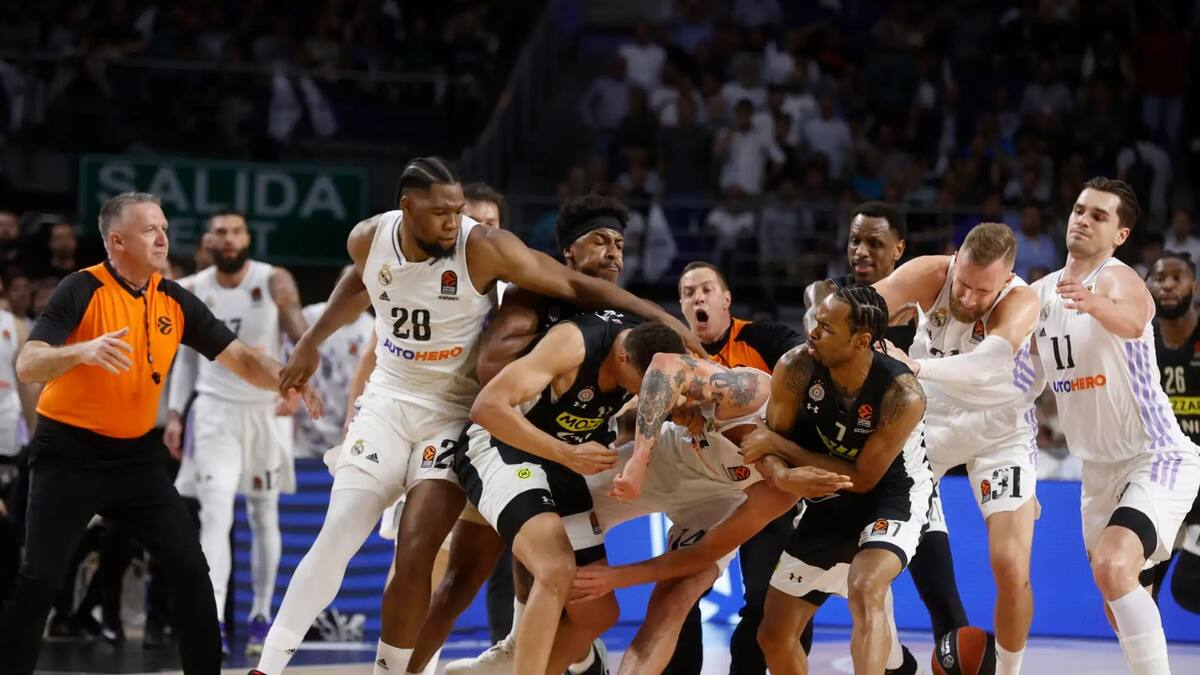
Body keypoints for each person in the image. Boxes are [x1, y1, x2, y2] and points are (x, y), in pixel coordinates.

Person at [253, 157, 697, 675]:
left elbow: (620, 350)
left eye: (620, 245)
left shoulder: (594, 309)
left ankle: (531, 652)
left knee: (557, 583)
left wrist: (666, 329)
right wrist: (314, 346)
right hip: (482, 433)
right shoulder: (524, 293)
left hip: (523, 442)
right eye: (601, 242)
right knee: (448, 566)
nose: (460, 224)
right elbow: (383, 307)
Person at [0, 192, 320, 675]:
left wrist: (289, 379)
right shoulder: (82, 288)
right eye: (150, 229)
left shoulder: (173, 299)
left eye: (164, 228)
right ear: (117, 240)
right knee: (40, 578)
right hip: (68, 453)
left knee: (191, 569)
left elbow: (241, 358)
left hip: (135, 459)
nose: (162, 238)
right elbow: (28, 363)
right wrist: (81, 352)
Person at [428, 193, 628, 675]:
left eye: (620, 245)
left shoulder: (622, 317)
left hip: (571, 456)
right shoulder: (534, 295)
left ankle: (555, 654)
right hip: (494, 439)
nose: (613, 253)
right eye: (600, 241)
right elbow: (491, 366)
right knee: (460, 575)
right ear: (569, 252)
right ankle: (406, 666)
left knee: (576, 590)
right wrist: (569, 350)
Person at [573, 355, 850, 675]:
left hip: (720, 498)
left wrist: (618, 578)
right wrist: (638, 457)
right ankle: (578, 656)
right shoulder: (751, 391)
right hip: (666, 457)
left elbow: (705, 553)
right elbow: (665, 364)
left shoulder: (785, 488)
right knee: (550, 518)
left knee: (677, 596)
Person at [1030, 177, 1200, 674]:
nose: (1083, 220)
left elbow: (1133, 319)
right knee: (1117, 597)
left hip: (1156, 456)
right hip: (1097, 471)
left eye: (1099, 216)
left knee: (1113, 565)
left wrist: (1093, 303)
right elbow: (1018, 382)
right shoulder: (1039, 294)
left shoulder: (1118, 279)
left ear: (1120, 235)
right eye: (1080, 210)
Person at [456, 317, 684, 675]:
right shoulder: (573, 345)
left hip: (561, 461)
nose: (646, 396)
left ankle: (525, 665)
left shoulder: (653, 355)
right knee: (555, 568)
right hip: (502, 445)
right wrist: (566, 453)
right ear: (623, 358)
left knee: (598, 611)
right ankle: (514, 655)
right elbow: (486, 407)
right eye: (642, 386)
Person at [873, 222, 1042, 675]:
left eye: (982, 291)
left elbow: (988, 363)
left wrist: (916, 367)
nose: (966, 298)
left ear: (1006, 279)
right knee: (871, 547)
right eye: (963, 283)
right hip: (929, 423)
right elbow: (864, 308)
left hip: (1000, 432)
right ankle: (893, 662)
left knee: (1010, 565)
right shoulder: (931, 273)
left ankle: (1008, 671)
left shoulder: (1022, 301)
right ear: (955, 260)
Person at [742, 285, 932, 675]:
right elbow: (766, 444)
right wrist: (782, 474)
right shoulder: (796, 367)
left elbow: (862, 478)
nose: (812, 332)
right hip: (830, 503)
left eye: (827, 328)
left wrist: (785, 450)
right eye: (817, 321)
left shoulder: (902, 394)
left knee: (865, 587)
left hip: (892, 496)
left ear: (862, 340)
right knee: (773, 635)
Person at [805, 202, 970, 646]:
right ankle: (895, 665)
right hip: (841, 467)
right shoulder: (828, 294)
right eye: (855, 240)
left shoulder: (924, 311)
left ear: (899, 249)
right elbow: (813, 322)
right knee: (800, 604)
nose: (860, 251)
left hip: (905, 468)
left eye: (874, 242)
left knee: (942, 598)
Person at [163, 209, 309, 655]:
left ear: (248, 238)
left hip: (265, 412)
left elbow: (298, 332)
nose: (228, 239)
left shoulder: (274, 279)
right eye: (220, 232)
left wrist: (299, 383)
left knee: (264, 515)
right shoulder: (192, 288)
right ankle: (214, 619)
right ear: (208, 240)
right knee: (215, 514)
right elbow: (186, 360)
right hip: (214, 414)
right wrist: (175, 414)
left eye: (236, 231)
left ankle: (261, 615)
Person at [672, 260, 805, 674]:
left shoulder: (764, 338)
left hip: (764, 489)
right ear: (681, 306)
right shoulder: (674, 356)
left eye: (706, 290)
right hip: (706, 493)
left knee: (769, 601)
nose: (698, 297)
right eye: (689, 293)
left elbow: (806, 373)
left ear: (726, 299)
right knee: (677, 595)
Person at [1145, 253, 1200, 612]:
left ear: (1194, 286)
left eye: (1176, 278)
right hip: (1161, 482)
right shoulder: (1139, 341)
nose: (1167, 285)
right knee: (1133, 589)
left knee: (1188, 588)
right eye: (1159, 278)